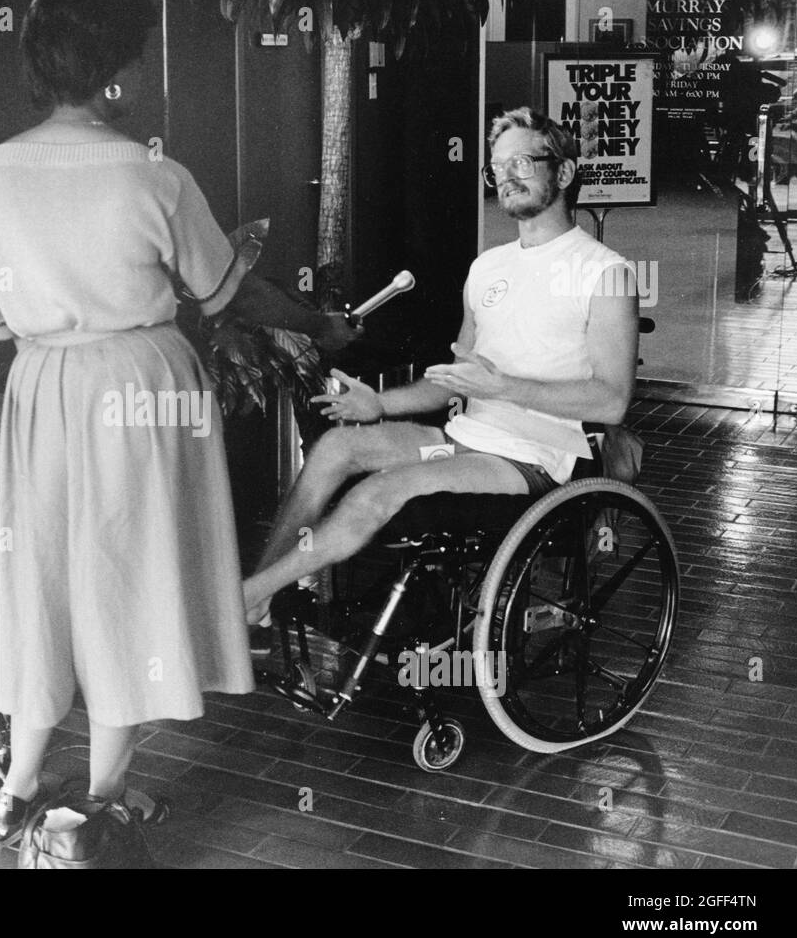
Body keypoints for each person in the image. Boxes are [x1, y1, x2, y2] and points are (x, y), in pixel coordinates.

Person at [0, 0, 357, 837]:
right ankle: (95, 806)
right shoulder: (155, 175)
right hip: (140, 390)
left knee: (47, 586)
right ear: (115, 73)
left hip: (42, 392)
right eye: (134, 60)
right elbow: (230, 297)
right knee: (127, 583)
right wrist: (319, 325)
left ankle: (16, 788)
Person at [242, 107, 639, 624]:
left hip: (536, 458)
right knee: (337, 445)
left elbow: (611, 400)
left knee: (382, 489)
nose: (507, 176)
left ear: (562, 173)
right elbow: (454, 379)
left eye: (524, 161)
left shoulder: (605, 273)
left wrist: (506, 386)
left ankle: (244, 596)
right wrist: (378, 403)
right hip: (466, 438)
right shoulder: (488, 266)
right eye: (497, 167)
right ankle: (260, 603)